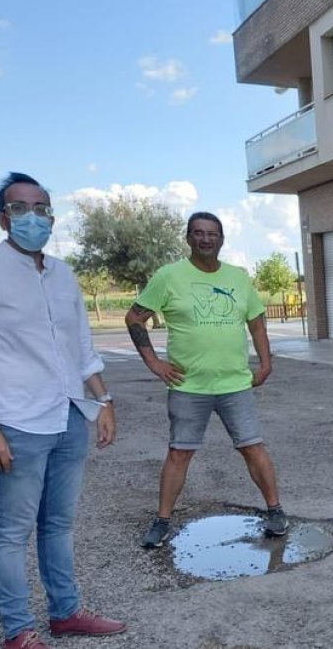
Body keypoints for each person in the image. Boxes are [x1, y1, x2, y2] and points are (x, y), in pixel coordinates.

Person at [0, 172, 127, 649]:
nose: (33, 217)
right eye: (21, 208)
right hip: (16, 421)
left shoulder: (63, 273)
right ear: (3, 217)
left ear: (51, 214)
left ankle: (66, 613)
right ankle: (18, 631)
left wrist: (102, 401)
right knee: (12, 530)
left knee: (59, 524)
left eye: (41, 208)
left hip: (69, 414)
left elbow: (81, 345)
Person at [126, 212, 288, 549]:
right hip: (188, 386)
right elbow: (135, 317)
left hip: (235, 384)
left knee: (252, 447)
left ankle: (275, 510)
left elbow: (257, 322)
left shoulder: (238, 277)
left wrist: (266, 363)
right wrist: (154, 362)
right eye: (198, 233)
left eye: (212, 234)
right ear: (188, 238)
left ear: (222, 239)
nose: (205, 239)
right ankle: (162, 520)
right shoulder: (169, 276)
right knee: (179, 454)